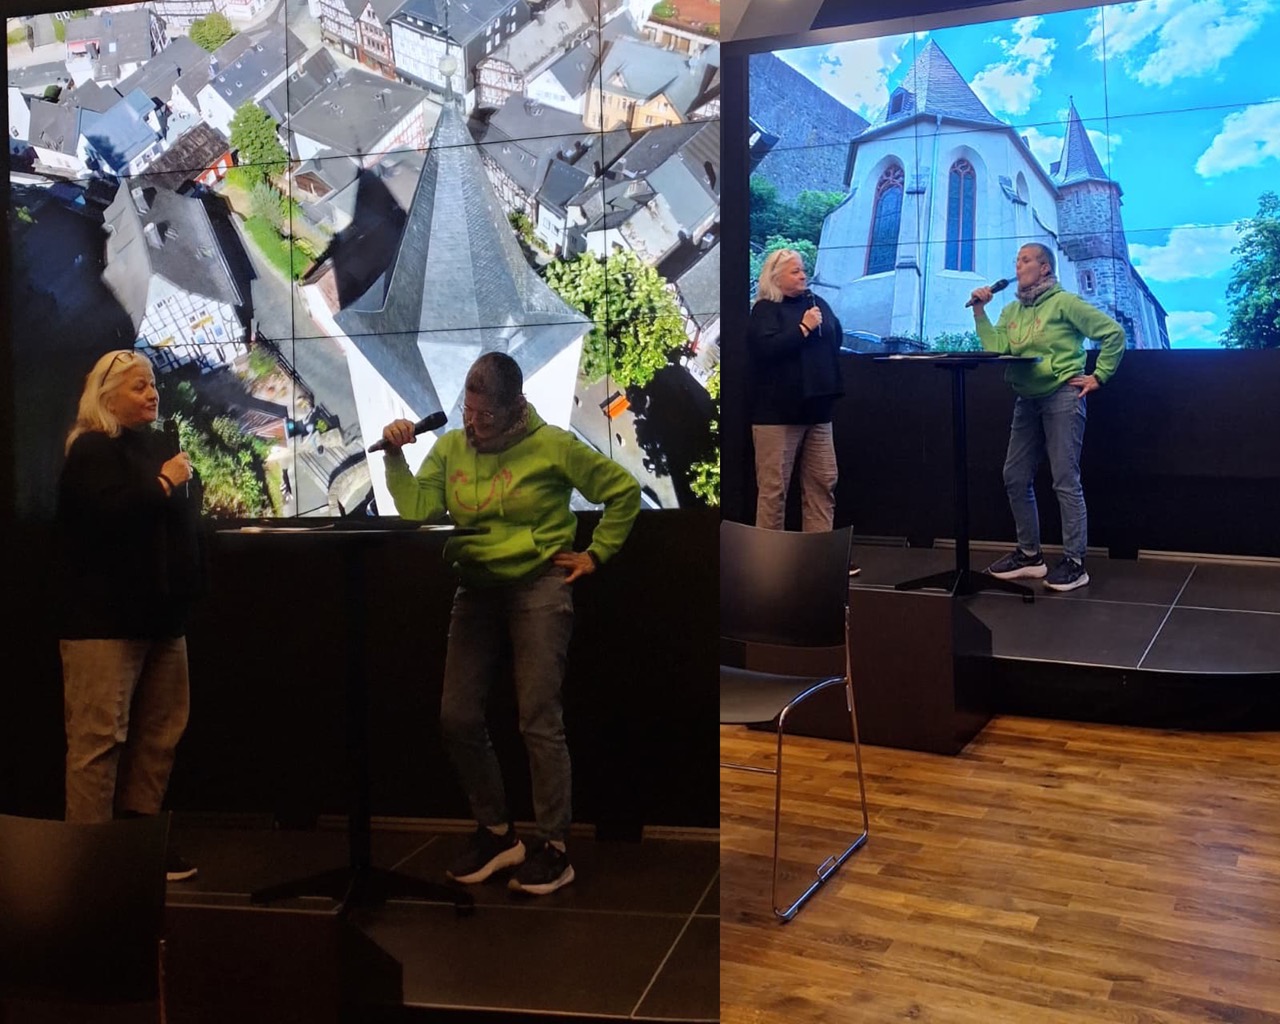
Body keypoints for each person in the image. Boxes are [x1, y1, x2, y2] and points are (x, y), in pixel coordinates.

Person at [378, 352, 641, 896]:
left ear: (515, 407)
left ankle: (554, 848)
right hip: (476, 588)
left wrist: (596, 553)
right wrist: (397, 458)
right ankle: (498, 833)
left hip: (537, 585)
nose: (473, 424)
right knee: (456, 716)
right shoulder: (451, 448)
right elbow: (417, 510)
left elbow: (623, 491)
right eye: (468, 412)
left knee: (538, 719)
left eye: (485, 416)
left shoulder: (552, 446)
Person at [56, 349, 204, 881]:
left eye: (153, 384)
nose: (152, 393)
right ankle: (90, 860)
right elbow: (107, 517)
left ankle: (140, 844)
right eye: (139, 386)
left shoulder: (154, 447)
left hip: (163, 618)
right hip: (105, 623)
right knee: (99, 742)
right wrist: (164, 483)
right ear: (107, 395)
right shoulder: (91, 449)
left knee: (160, 734)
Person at [969, 243, 1125, 592]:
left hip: (1062, 396)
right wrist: (980, 311)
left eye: (1025, 260)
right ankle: (1029, 556)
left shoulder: (1065, 302)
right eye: (1016, 260)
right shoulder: (1011, 310)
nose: (1018, 265)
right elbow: (997, 348)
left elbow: (1113, 333)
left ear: (1044, 268)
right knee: (1014, 476)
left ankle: (1075, 562)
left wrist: (1099, 376)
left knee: (1065, 480)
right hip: (1027, 399)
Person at [747, 248, 846, 535]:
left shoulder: (818, 303)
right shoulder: (765, 310)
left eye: (803, 270)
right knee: (774, 491)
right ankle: (770, 557)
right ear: (776, 277)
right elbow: (764, 350)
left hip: (818, 412)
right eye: (795, 271)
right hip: (778, 415)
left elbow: (836, 336)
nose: (803, 275)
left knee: (823, 483)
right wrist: (803, 328)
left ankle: (818, 552)